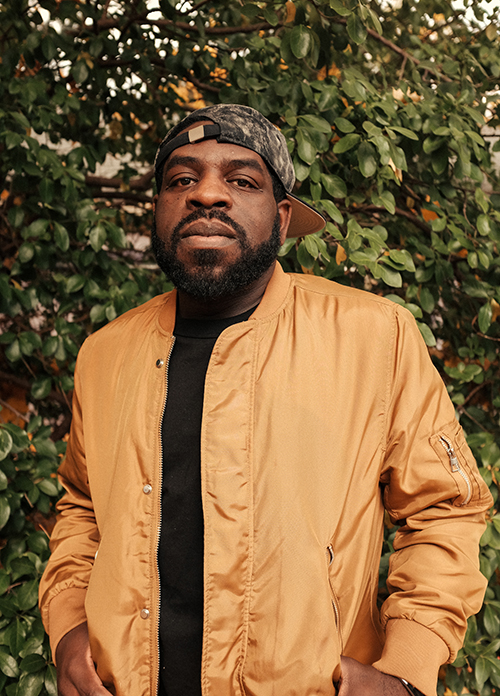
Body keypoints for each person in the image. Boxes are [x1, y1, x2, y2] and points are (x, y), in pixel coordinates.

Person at [39, 104, 492, 696]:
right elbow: (82, 509)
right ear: (157, 210)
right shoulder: (105, 354)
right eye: (181, 179)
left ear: (281, 219)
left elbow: (443, 508)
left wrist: (405, 669)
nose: (206, 194)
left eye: (241, 179)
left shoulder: (373, 337)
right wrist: (69, 626)